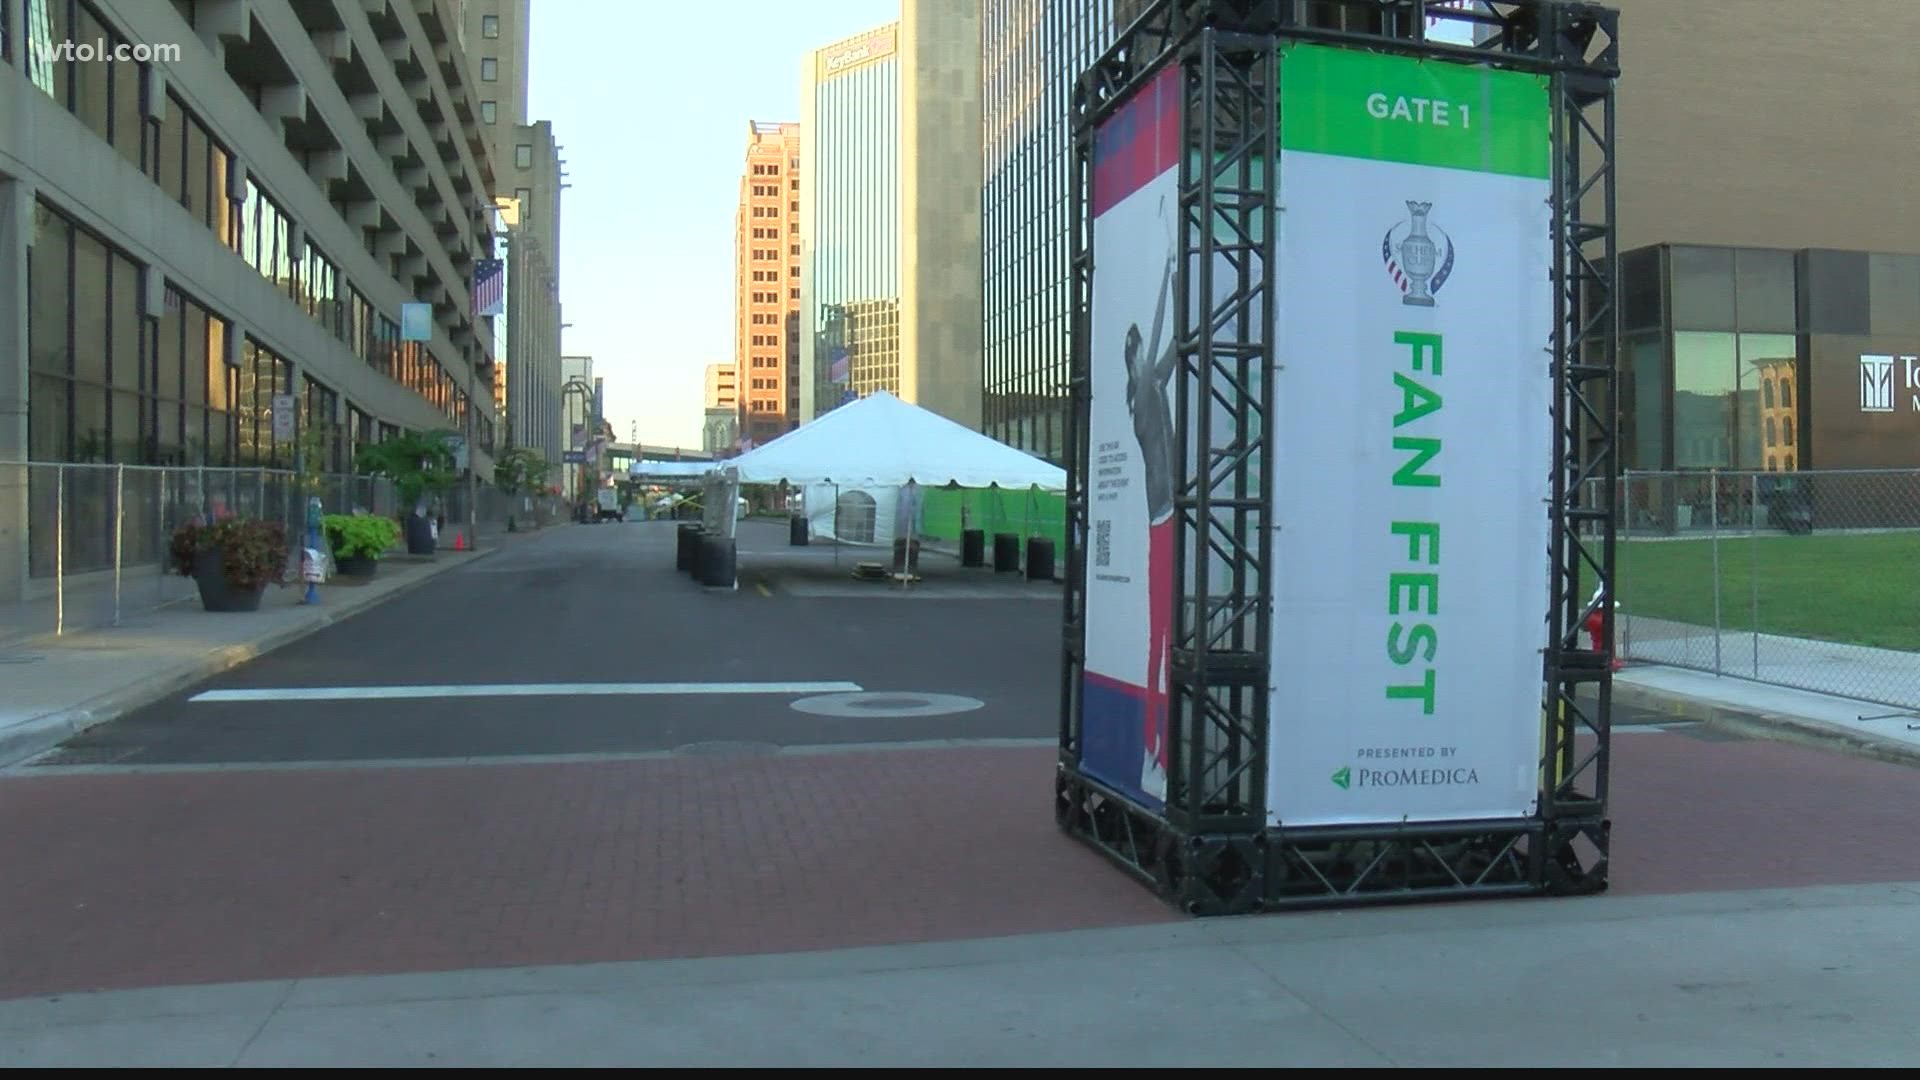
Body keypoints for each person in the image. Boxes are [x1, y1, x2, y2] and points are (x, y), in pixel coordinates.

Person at [1126, 250, 1179, 800]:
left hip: (1171, 519)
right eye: (1141, 352)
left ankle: (1157, 753)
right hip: (1161, 525)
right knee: (1158, 646)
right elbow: (1166, 333)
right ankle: (1152, 754)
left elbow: (1176, 345)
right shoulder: (1141, 396)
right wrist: (1165, 272)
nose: (1149, 358)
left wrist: (1174, 276)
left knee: (1165, 645)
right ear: (1133, 361)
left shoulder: (1152, 384)